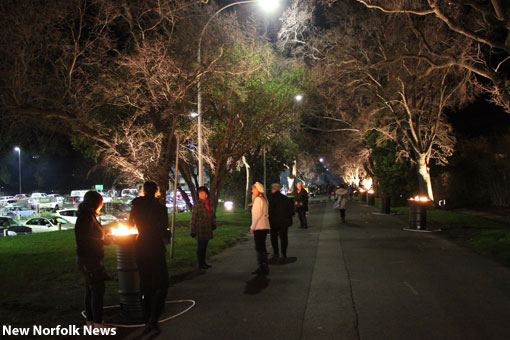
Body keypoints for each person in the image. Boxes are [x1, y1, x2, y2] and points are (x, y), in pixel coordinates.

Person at [128, 181, 169, 334]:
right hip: (155, 247)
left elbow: (129, 224)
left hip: (141, 246)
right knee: (162, 283)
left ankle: (147, 318)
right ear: (156, 191)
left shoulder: (136, 207)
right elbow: (164, 229)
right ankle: (153, 317)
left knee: (145, 283)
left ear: (144, 191)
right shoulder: (160, 208)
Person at [75, 190, 113, 330]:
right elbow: (84, 240)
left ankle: (91, 323)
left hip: (89, 259)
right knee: (97, 290)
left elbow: (93, 234)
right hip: (88, 260)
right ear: (95, 203)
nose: (101, 206)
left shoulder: (88, 216)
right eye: (100, 203)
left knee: (90, 290)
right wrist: (104, 242)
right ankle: (98, 325)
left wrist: (106, 232)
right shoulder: (85, 218)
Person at [190, 186, 216, 270]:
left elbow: (213, 215)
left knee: (205, 246)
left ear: (206, 194)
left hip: (208, 227)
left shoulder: (210, 202)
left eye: (203, 193)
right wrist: (192, 230)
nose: (201, 194)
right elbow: (193, 218)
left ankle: (203, 262)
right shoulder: (197, 204)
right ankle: (200, 263)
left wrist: (213, 223)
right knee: (200, 247)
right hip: (200, 228)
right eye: (200, 193)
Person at [268, 183, 294, 262]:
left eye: (272, 188)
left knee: (274, 238)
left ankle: (276, 253)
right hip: (284, 222)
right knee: (284, 238)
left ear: (274, 189)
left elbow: (270, 211)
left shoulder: (271, 199)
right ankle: (284, 254)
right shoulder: (285, 198)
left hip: (274, 222)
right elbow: (291, 210)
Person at [250, 182, 271, 275]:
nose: (252, 191)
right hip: (264, 226)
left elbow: (257, 215)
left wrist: (252, 227)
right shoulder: (263, 199)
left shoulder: (258, 199)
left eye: (253, 189)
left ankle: (262, 267)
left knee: (259, 248)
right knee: (262, 247)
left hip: (260, 226)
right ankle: (264, 266)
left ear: (258, 190)